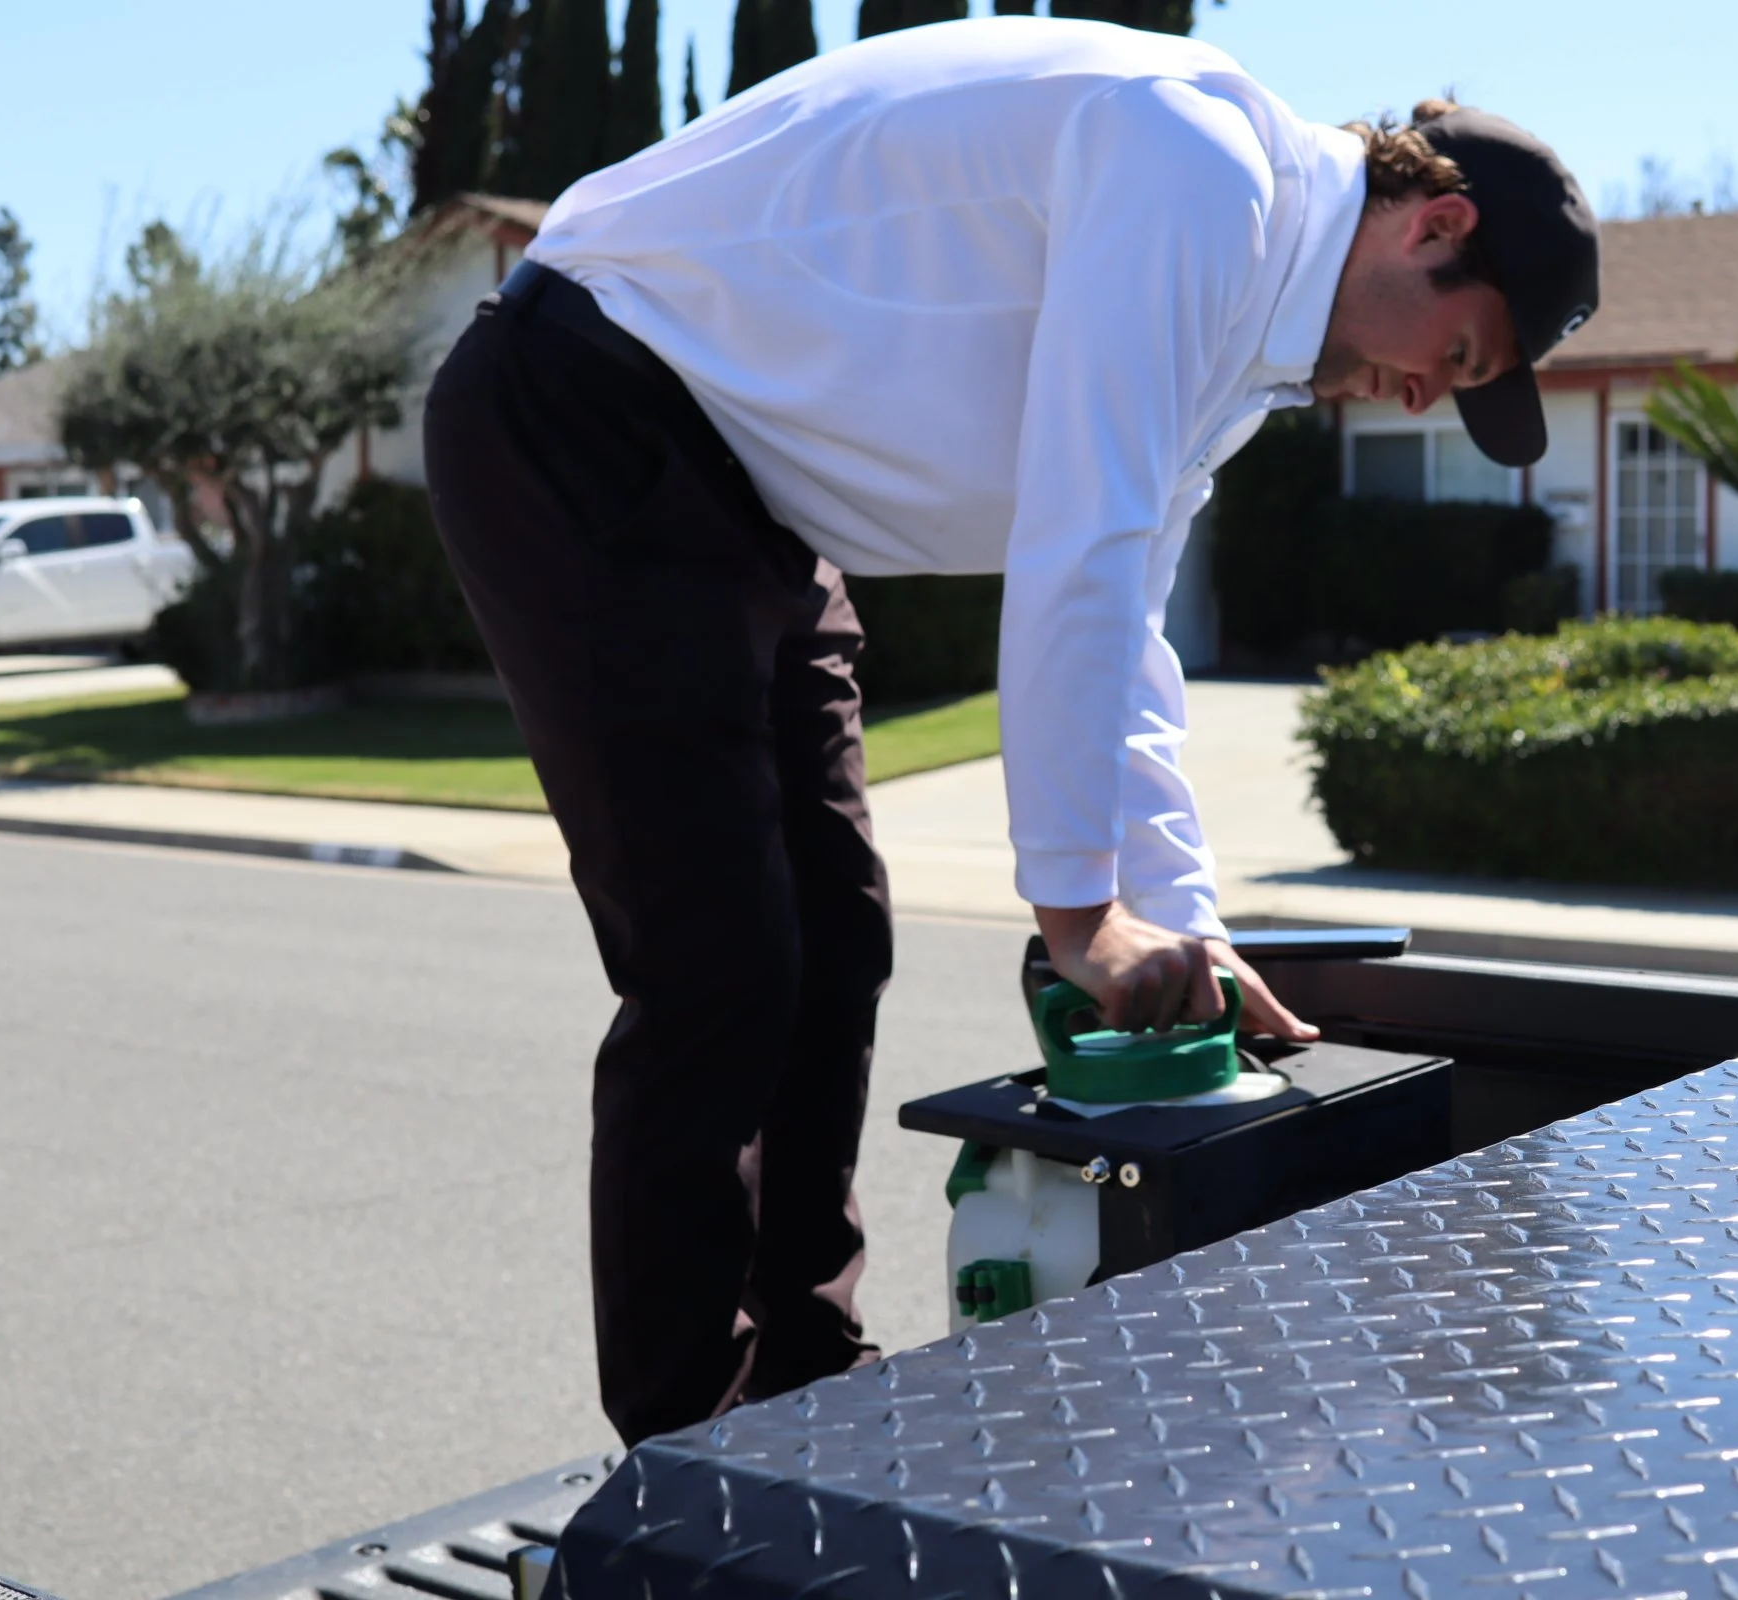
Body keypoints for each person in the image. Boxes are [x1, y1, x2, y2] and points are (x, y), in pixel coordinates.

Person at [421, 14, 1599, 1448]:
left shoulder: (1239, 343)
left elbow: (1129, 635)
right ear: (1436, 226)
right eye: (1456, 355)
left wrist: (1179, 915)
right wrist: (1079, 913)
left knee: (838, 935)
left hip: (743, 497)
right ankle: (690, 1447)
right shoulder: (1198, 165)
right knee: (719, 958)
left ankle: (806, 1385)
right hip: (585, 405)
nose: (1421, 395)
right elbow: (1075, 546)